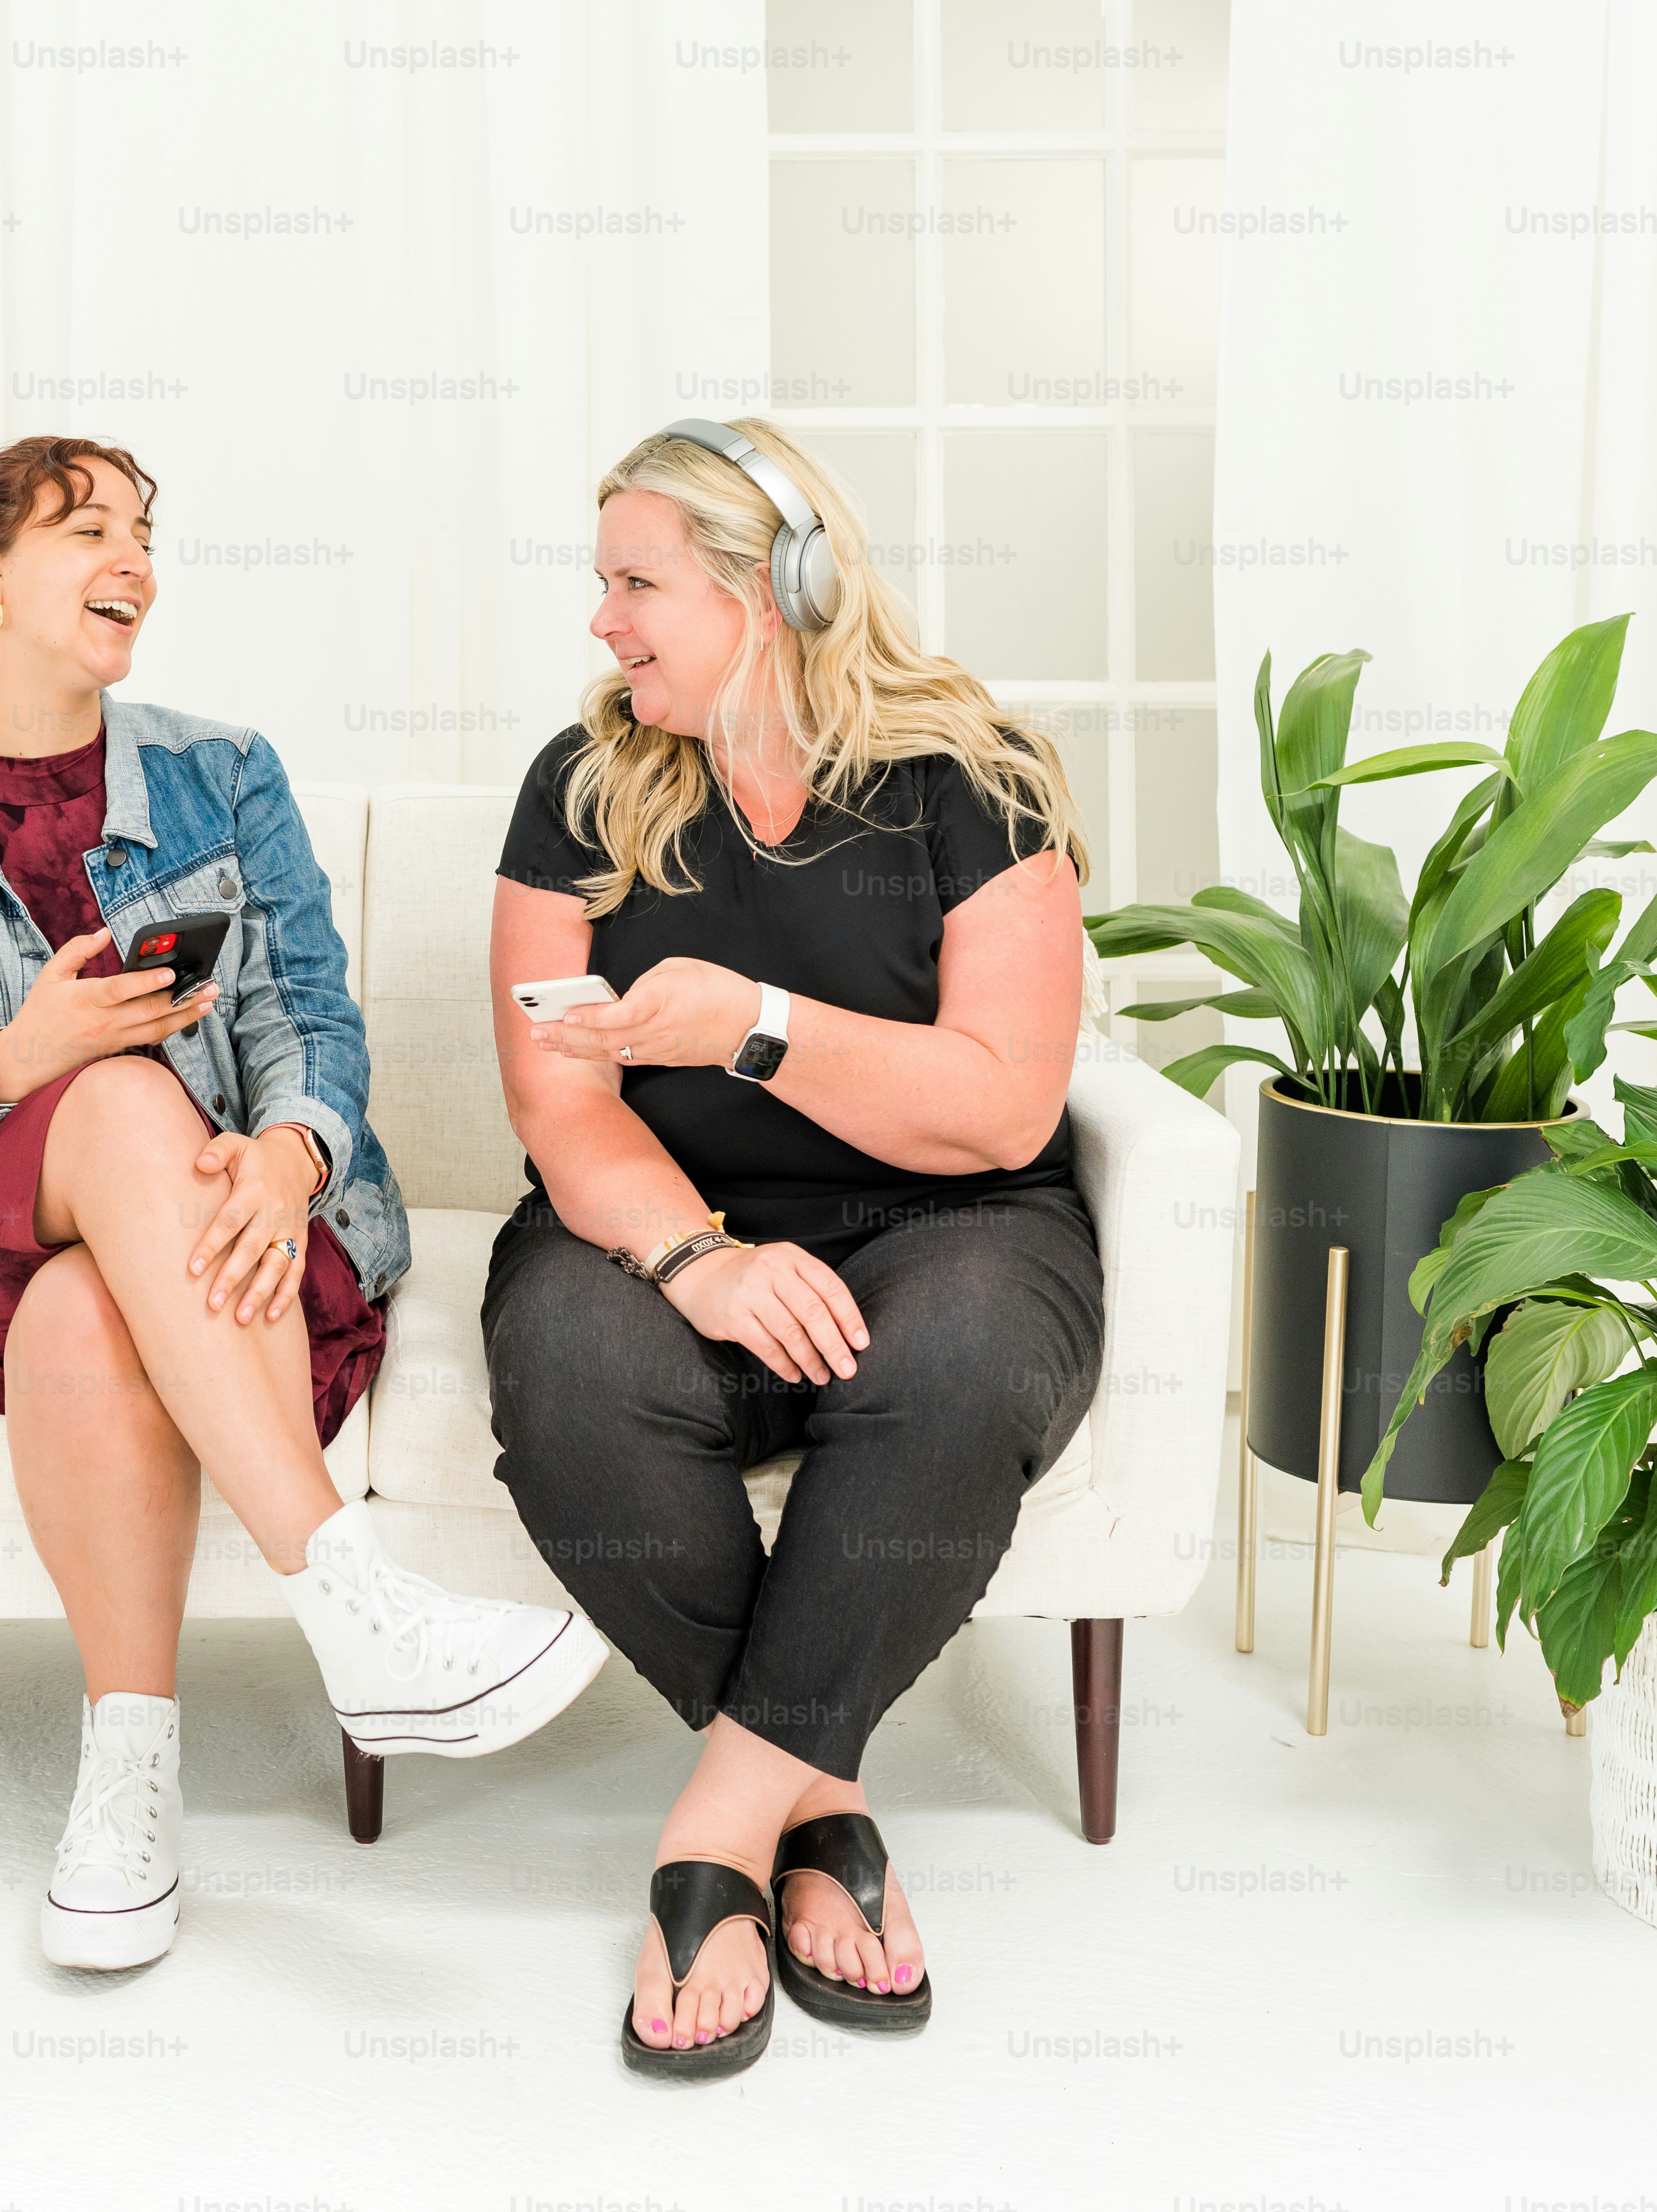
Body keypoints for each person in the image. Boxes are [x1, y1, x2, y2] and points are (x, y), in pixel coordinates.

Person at [0, 435, 605, 1972]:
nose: (136, 563)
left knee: (91, 1301)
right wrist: (14, 1058)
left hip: (218, 1231)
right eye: (89, 530)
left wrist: (291, 1153)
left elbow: (312, 1024)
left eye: (146, 535)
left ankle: (128, 1785)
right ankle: (352, 1598)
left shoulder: (225, 775)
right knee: (103, 1097)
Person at [482, 418, 1102, 2076]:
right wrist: (701, 1263)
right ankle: (819, 1799)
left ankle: (714, 1836)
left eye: (636, 583)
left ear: (775, 589)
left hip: (953, 1221)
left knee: (958, 1365)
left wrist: (755, 1026)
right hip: (660, 1220)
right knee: (569, 1374)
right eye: (603, 584)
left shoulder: (974, 779)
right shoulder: (584, 784)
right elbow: (559, 1104)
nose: (603, 621)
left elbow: (1002, 1107)